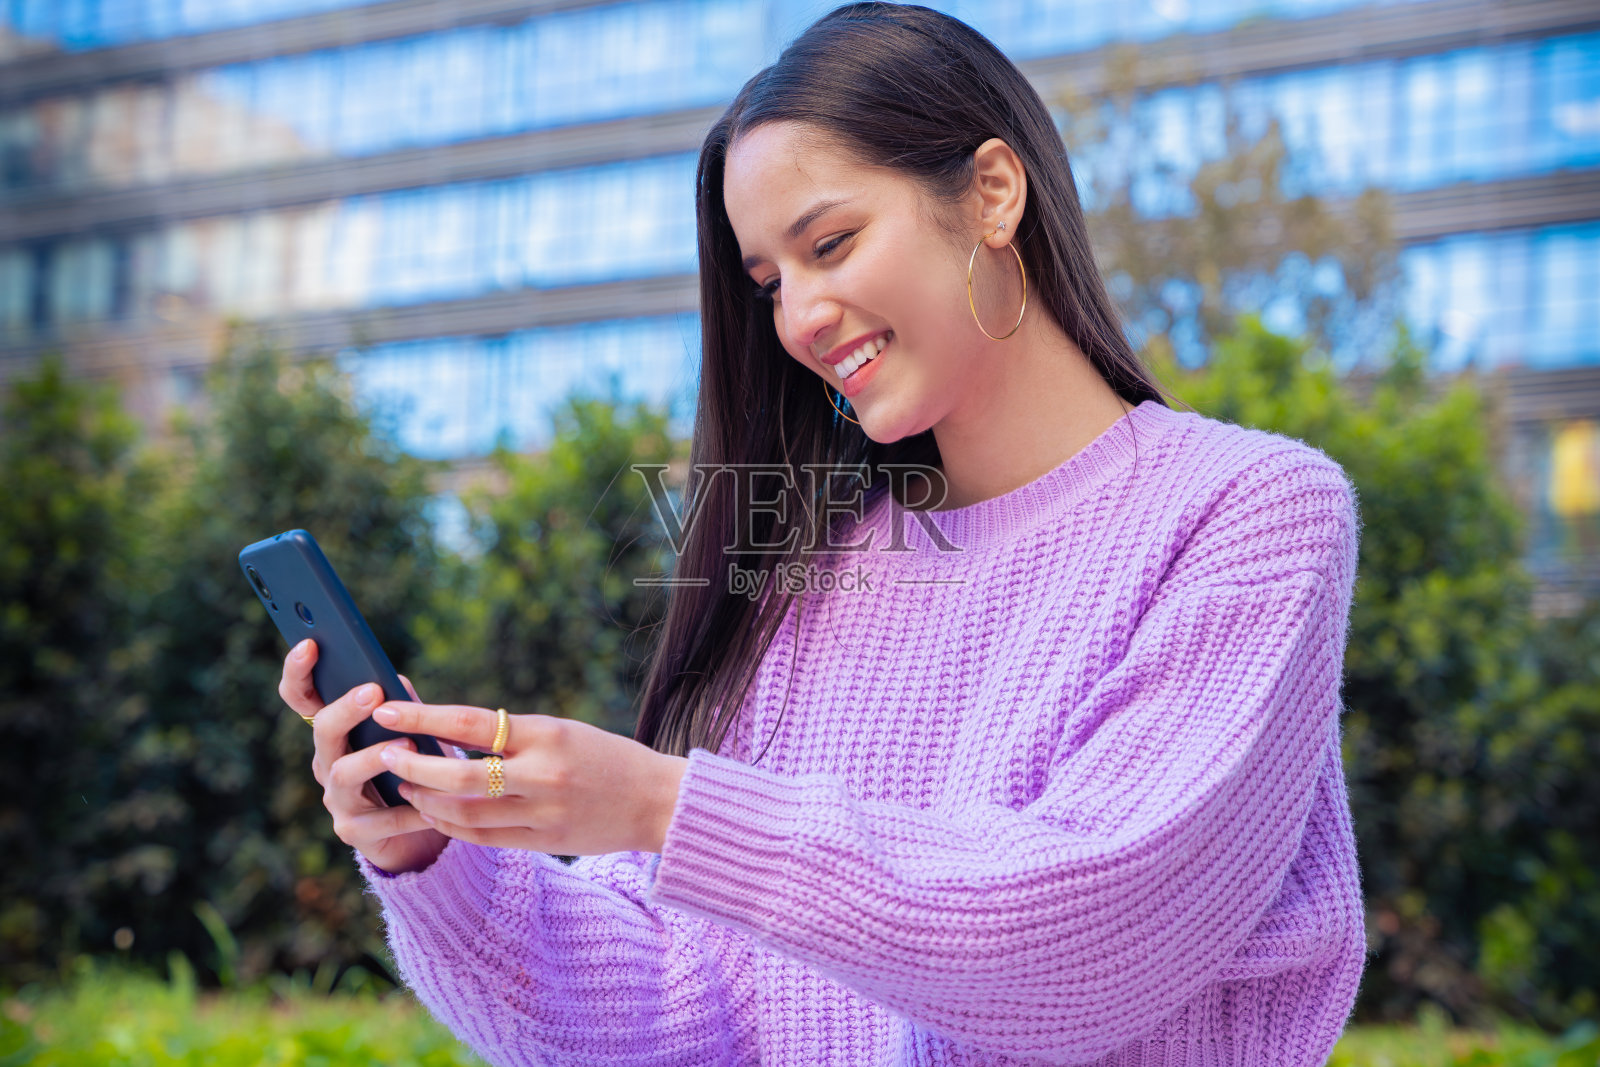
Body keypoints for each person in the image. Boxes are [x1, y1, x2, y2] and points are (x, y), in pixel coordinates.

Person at [277, 3, 1366, 1064]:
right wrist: (434, 844)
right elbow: (668, 1006)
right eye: (769, 283)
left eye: (831, 243)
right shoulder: (815, 573)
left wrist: (664, 803)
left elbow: (1093, 932)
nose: (797, 317)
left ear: (992, 191)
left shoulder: (1250, 512)